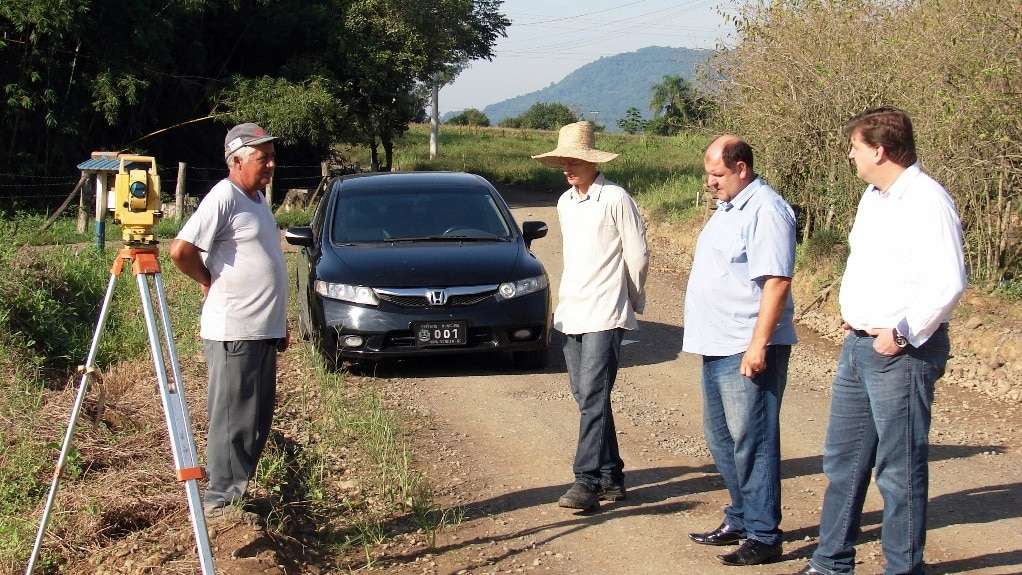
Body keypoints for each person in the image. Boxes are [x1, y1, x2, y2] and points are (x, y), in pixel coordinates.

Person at [792, 107, 966, 575]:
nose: (851, 155)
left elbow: (949, 281)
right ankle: (830, 562)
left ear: (880, 150)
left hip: (902, 354)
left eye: (856, 147)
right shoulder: (874, 197)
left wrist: (902, 333)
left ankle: (903, 569)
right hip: (858, 345)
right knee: (843, 462)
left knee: (899, 468)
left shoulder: (927, 200)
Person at [683, 135, 797, 566]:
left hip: (745, 346)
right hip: (716, 342)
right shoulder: (729, 208)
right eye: (708, 173)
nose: (710, 182)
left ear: (742, 168)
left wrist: (758, 345)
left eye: (717, 174)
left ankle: (765, 534)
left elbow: (777, 282)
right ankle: (742, 517)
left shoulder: (766, 210)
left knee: (754, 439)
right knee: (722, 437)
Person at [170, 122, 289, 516]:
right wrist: (207, 280)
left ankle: (236, 493)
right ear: (236, 160)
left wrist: (278, 324)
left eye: (271, 156)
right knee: (231, 419)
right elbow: (180, 250)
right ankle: (220, 502)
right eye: (262, 157)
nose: (270, 164)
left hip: (260, 329)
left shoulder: (256, 200)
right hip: (233, 329)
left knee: (256, 420)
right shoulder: (223, 196)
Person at [531, 121, 649, 511]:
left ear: (592, 162)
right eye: (564, 161)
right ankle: (611, 475)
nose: (568, 168)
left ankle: (586, 481)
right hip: (573, 310)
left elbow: (638, 255)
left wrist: (632, 299)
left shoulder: (615, 198)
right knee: (586, 397)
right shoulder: (566, 202)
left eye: (575, 161)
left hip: (605, 310)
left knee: (594, 395)